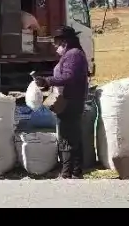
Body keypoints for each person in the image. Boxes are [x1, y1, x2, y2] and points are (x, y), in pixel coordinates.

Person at [34, 26, 89, 179]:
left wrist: (48, 81)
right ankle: (73, 171)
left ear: (64, 42)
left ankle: (69, 171)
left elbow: (69, 77)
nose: (54, 45)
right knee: (70, 134)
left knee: (68, 135)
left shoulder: (73, 55)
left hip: (71, 100)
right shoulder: (72, 54)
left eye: (56, 42)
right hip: (69, 99)